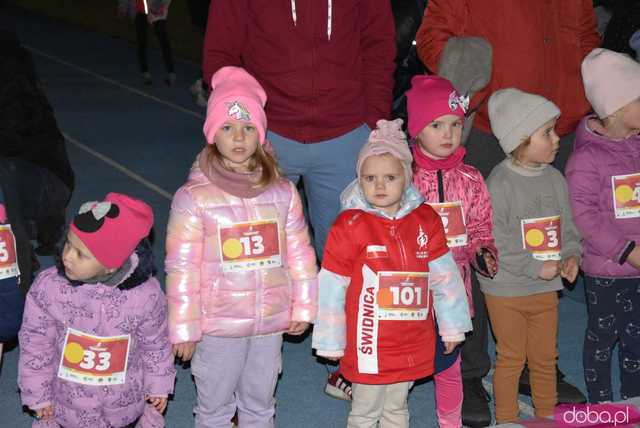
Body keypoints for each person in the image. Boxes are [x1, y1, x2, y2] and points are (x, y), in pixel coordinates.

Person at [415, 3, 596, 424]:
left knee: (542, 246)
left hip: (556, 130)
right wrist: (475, 95)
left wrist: (577, 100)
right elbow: (433, 37)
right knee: (479, 250)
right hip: (489, 133)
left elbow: (586, 37)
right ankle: (473, 372)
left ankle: (534, 367)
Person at [166, 66, 318, 427]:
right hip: (217, 326)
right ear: (211, 133)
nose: (239, 138)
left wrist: (304, 306)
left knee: (260, 404)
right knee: (214, 407)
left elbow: (300, 254)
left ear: (261, 135)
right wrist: (185, 329)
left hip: (268, 325)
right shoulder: (193, 198)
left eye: (249, 128)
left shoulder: (282, 193)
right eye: (228, 127)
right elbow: (181, 268)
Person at [202, 0, 396, 262]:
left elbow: (379, 44)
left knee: (347, 263)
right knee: (254, 263)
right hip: (266, 138)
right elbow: (220, 54)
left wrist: (373, 120)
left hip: (347, 135)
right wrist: (242, 123)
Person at [312, 118, 472, 428]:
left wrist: (452, 326)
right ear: (359, 180)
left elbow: (445, 277)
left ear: (407, 177)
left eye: (389, 177)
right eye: (370, 178)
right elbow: (331, 288)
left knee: (397, 410)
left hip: (410, 339)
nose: (380, 186)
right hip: (368, 341)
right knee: (365, 412)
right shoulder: (349, 226)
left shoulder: (426, 219)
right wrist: (330, 340)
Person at [18, 192, 175, 428]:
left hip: (122, 407)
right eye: (69, 243)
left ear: (111, 263)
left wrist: (159, 384)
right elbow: (35, 343)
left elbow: (156, 344)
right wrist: (37, 394)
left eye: (81, 254)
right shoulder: (50, 289)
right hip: (67, 406)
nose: (68, 256)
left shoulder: (145, 296)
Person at [480, 89, 582, 423]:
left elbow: (568, 228)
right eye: (547, 133)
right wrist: (535, 266)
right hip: (507, 289)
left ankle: (546, 416)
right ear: (521, 140)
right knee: (511, 357)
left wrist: (571, 255)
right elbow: (498, 241)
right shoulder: (500, 182)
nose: (556, 139)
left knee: (545, 357)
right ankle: (507, 418)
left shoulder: (555, 179)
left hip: (544, 287)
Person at [406, 75, 498, 428]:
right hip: (413, 286)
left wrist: (482, 252)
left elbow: (479, 228)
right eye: (436, 125)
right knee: (406, 356)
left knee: (450, 358)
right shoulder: (405, 177)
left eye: (455, 125)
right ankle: (391, 409)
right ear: (417, 130)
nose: (448, 134)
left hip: (455, 287)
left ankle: (451, 415)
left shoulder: (472, 178)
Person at [566, 48, 640, 403]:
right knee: (602, 337)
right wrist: (627, 250)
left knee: (637, 338)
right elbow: (585, 215)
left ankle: (632, 401)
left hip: (639, 267)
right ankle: (602, 403)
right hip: (608, 268)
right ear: (619, 107)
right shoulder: (587, 158)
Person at [0, 30, 74, 289]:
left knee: (6, 181)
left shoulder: (13, 103)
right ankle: (47, 231)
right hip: (51, 186)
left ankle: (22, 268)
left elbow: (13, 144)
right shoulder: (27, 88)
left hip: (41, 188)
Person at [129, 0, 175, 85]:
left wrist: (157, 16)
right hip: (142, 12)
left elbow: (165, 5)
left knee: (165, 42)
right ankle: (145, 72)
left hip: (156, 13)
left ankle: (171, 72)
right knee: (142, 42)